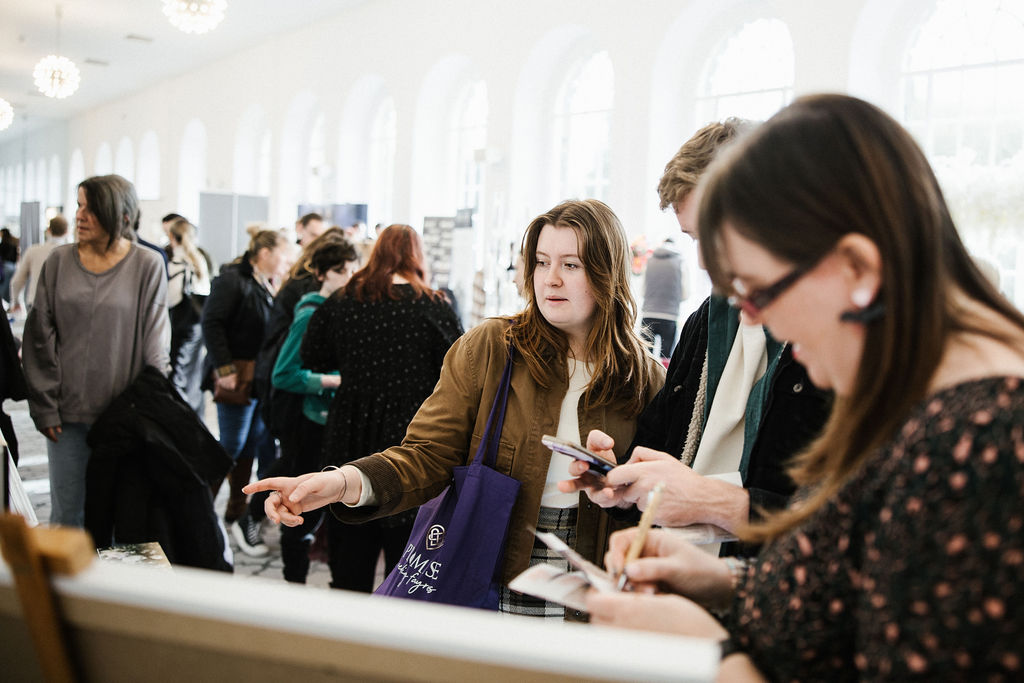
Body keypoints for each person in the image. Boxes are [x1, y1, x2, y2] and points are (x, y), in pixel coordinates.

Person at [585, 94, 1024, 680]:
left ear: (857, 269)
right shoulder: (906, 398)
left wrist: (712, 655)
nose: (755, 319)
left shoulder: (982, 444)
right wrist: (725, 581)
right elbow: (854, 592)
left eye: (761, 291)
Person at [247, 200, 665, 616]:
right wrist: (342, 482)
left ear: (607, 272)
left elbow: (659, 501)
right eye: (541, 262)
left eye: (570, 265)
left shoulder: (644, 377)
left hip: (594, 590)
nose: (550, 279)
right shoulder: (494, 348)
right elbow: (427, 455)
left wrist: (624, 491)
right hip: (492, 575)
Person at [561, 119, 832, 558]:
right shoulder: (708, 320)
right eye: (695, 238)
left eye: (716, 233)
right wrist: (621, 481)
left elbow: (849, 529)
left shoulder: (837, 337)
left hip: (766, 581)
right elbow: (661, 449)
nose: (704, 261)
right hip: (691, 571)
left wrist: (715, 503)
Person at [278, 223, 463, 589]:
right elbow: (458, 370)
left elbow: (313, 355)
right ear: (417, 256)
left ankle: (348, 615)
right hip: (412, 438)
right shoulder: (433, 305)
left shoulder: (344, 300)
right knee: (406, 560)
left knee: (349, 546)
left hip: (351, 429)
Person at [22, 174, 170, 527]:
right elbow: (39, 338)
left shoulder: (147, 264)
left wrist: (154, 411)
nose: (79, 215)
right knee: (67, 519)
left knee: (123, 521)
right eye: (79, 206)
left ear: (121, 215)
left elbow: (156, 346)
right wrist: (45, 409)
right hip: (66, 417)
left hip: (124, 419)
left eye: (91, 208)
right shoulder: (58, 261)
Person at [231, 237, 360, 565]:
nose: (349, 277)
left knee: (299, 476)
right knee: (294, 476)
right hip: (304, 418)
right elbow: (284, 374)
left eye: (352, 269)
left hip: (320, 416)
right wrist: (332, 380)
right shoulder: (310, 313)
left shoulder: (340, 309)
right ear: (322, 274)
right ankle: (251, 523)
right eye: (342, 271)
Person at [201, 227, 290, 525]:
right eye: (282, 255)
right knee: (231, 444)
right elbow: (211, 323)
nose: (285, 262)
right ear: (265, 253)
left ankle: (236, 510)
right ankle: (199, 509)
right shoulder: (232, 279)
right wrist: (224, 369)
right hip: (235, 375)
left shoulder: (263, 281)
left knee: (249, 444)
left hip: (255, 379)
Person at [166, 217, 211, 414]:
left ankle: (177, 414)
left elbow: (171, 299)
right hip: (197, 325)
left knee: (178, 373)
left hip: (181, 325)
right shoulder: (199, 260)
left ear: (171, 237)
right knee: (193, 373)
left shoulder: (176, 263)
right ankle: (194, 413)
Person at [10, 215, 70, 315]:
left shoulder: (33, 251)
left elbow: (17, 281)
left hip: (36, 303)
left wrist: (16, 302)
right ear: (67, 232)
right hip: (63, 306)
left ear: (49, 230)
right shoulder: (72, 253)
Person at [640, 236, 686, 362]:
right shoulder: (680, 262)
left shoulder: (649, 261)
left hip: (648, 314)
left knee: (645, 356)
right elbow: (685, 293)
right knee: (666, 357)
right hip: (669, 316)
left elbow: (643, 291)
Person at [0, 227, 20, 304]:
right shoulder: (13, 243)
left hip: (5, 267)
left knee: (3, 288)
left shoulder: (3, 244)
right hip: (13, 267)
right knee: (10, 288)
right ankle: (10, 303)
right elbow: (16, 257)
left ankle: (4, 305)